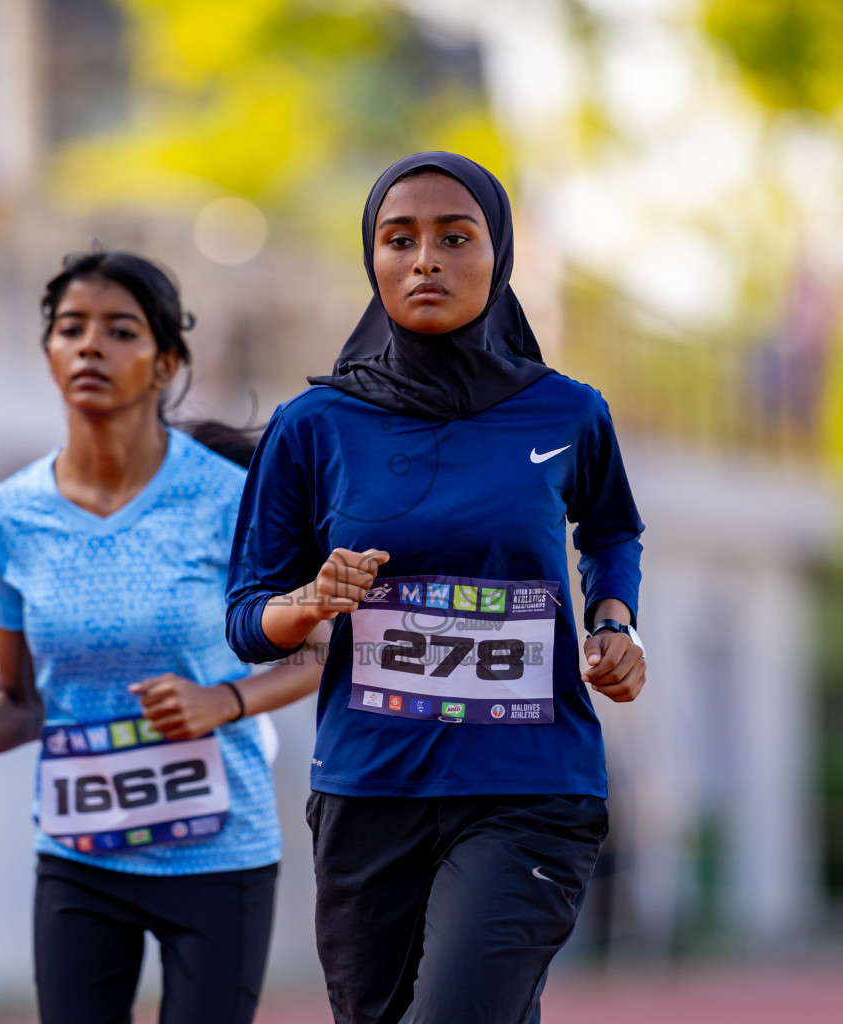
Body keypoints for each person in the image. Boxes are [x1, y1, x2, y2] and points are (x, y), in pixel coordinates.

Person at [226, 152, 648, 1024]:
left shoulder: (567, 413)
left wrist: (615, 620)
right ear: (372, 260)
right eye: (399, 239)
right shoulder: (313, 428)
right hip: (369, 794)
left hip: (530, 789)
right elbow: (246, 618)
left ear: (499, 255)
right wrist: (311, 600)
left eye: (456, 238)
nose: (426, 260)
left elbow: (609, 529)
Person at [0, 251, 325, 1024]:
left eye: (120, 331)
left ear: (166, 361)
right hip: (81, 855)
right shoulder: (6, 519)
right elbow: (22, 703)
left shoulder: (230, 498)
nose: (91, 347)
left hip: (218, 846)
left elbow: (314, 654)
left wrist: (223, 700)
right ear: (48, 354)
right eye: (71, 329)